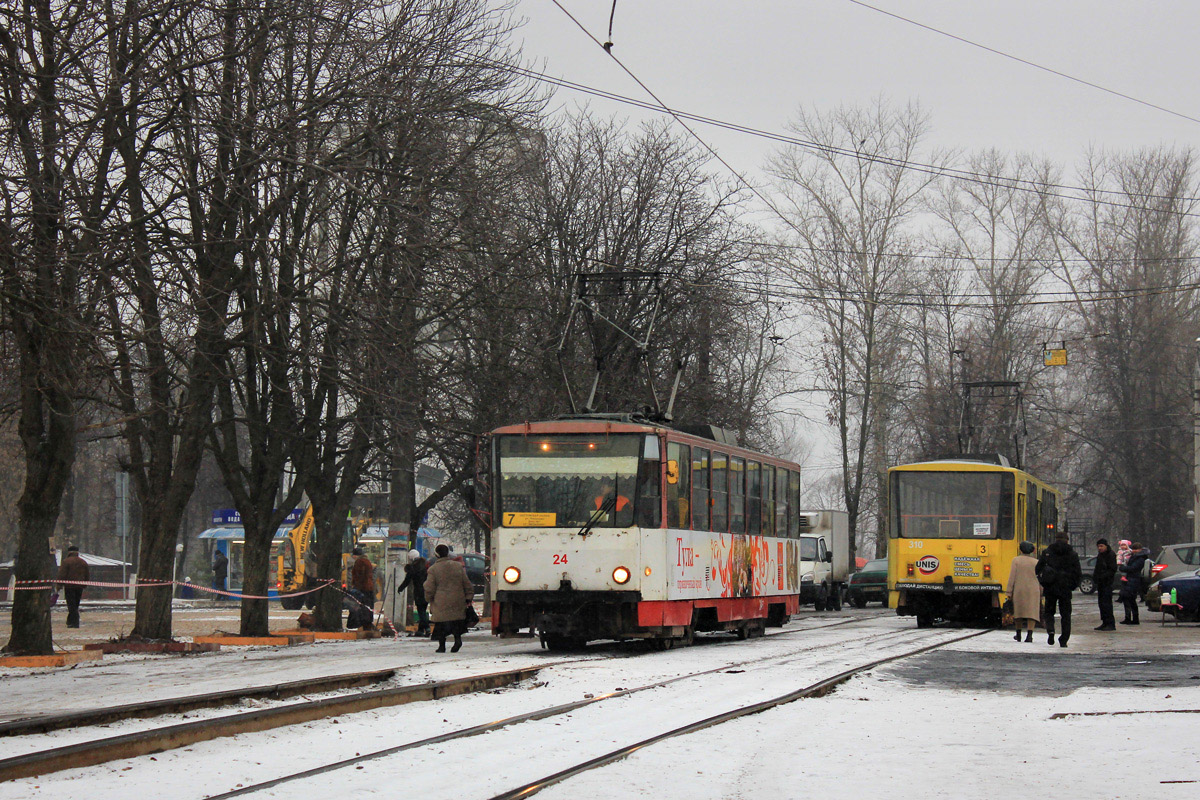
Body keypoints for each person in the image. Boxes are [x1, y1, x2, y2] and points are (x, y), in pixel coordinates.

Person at [424, 543, 474, 653]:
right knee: (456, 623)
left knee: (441, 625)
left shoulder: (433, 569)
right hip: (457, 600)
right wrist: (468, 596)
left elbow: (429, 587)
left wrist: (428, 598)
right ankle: (457, 640)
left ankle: (442, 646)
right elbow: (467, 584)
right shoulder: (457, 566)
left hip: (440, 601)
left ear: (436, 555)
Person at [1036, 531, 1082, 647]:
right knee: (1066, 615)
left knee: (1049, 612)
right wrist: (1072, 585)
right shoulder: (1072, 554)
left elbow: (1038, 569)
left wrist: (1043, 582)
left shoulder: (1047, 552)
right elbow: (1078, 573)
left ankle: (1051, 630)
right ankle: (1064, 639)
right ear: (1067, 540)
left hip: (1050, 587)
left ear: (1055, 539)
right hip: (1065, 588)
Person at [1006, 541, 1041, 642]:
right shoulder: (1036, 562)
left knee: (1019, 612)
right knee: (1032, 613)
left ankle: (1018, 634)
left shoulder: (1016, 560)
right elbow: (1040, 578)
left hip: (1019, 589)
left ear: (1020, 549)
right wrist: (1042, 591)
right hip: (1033, 590)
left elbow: (1012, 577)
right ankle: (1029, 635)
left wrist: (1009, 592)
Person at [398, 549, 429, 636]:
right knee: (423, 609)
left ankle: (427, 628)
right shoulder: (425, 565)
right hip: (427, 591)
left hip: (419, 592)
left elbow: (407, 580)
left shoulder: (413, 567)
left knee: (421, 611)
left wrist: (400, 588)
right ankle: (420, 630)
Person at [1118, 540, 1151, 625]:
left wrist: (1123, 568)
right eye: (1133, 549)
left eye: (1136, 549)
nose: (1134, 551)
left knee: (1131, 599)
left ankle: (1134, 619)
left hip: (1133, 580)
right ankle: (1129, 618)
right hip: (1131, 580)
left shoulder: (1140, 558)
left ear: (1140, 549)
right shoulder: (1136, 556)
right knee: (1127, 599)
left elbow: (1134, 568)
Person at [56, 545, 89, 628]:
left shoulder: (66, 562)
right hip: (79, 586)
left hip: (69, 586)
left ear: (69, 552)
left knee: (71, 605)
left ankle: (74, 622)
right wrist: (85, 584)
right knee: (76, 604)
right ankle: (70, 621)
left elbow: (62, 574)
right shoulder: (83, 562)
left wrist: (59, 585)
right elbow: (87, 574)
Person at [1092, 538, 1118, 631]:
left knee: (1107, 603)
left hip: (1107, 583)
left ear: (1106, 546)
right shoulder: (1100, 555)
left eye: (1101, 546)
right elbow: (1097, 568)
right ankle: (1104, 622)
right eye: (1098, 546)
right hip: (1101, 583)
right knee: (1101, 603)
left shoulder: (1110, 555)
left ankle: (1110, 623)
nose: (1100, 548)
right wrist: (1095, 577)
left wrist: (1102, 577)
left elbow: (1112, 569)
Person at [349, 546, 376, 630]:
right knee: (368, 607)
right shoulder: (367, 561)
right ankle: (367, 623)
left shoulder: (360, 562)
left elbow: (359, 576)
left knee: (362, 607)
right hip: (368, 588)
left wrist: (357, 587)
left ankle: (361, 624)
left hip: (363, 588)